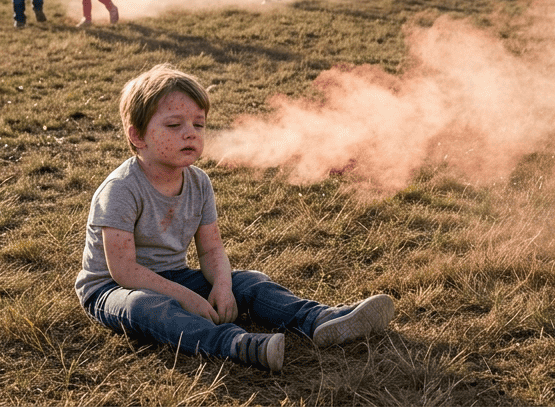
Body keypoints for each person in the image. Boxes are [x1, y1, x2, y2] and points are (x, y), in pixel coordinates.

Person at [74, 64, 396, 373]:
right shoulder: (120, 190)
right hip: (112, 289)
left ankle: (319, 320)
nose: (190, 134)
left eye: (198, 125)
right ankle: (235, 344)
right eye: (174, 126)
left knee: (250, 281)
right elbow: (125, 271)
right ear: (137, 136)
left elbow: (211, 250)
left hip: (173, 275)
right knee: (148, 308)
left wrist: (224, 287)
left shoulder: (199, 182)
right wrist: (187, 297)